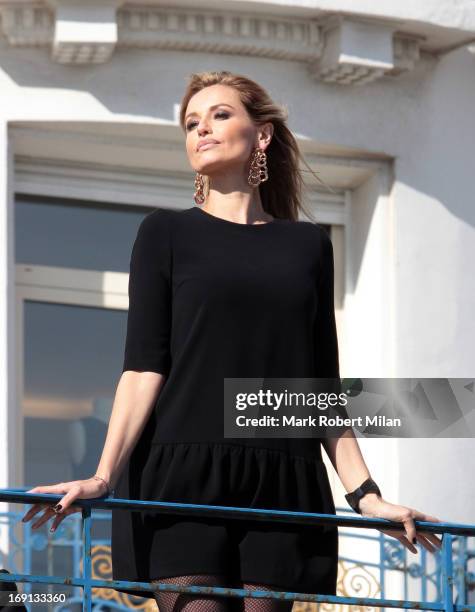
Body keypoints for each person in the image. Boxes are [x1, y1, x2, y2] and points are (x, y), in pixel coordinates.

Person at [21, 71, 443, 612]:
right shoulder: (164, 233)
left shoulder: (307, 246)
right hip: (181, 478)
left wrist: (367, 497)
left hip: (281, 482)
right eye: (191, 123)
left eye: (220, 115)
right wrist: (104, 475)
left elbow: (319, 392)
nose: (202, 130)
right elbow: (143, 366)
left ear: (261, 135)